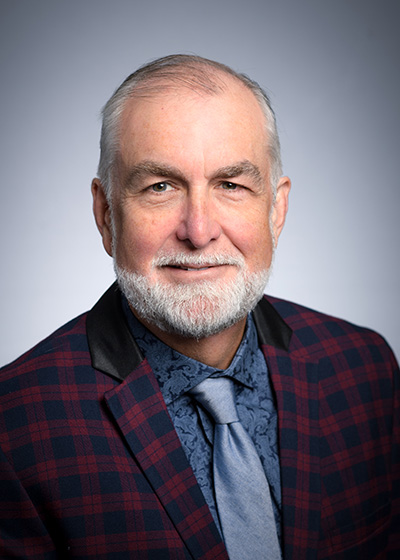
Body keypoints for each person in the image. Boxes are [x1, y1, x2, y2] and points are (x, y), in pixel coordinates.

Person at [0, 54, 398, 560]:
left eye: (231, 185)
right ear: (106, 216)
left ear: (276, 210)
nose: (199, 230)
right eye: (160, 187)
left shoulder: (365, 369)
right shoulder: (14, 428)